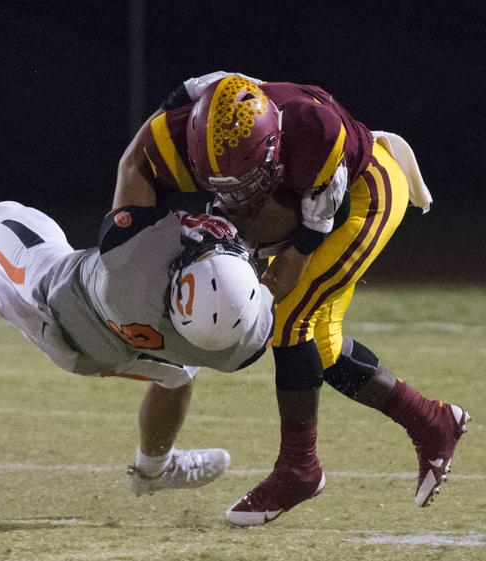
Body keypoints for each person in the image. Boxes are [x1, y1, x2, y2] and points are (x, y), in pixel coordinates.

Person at [115, 72, 470, 525]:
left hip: (364, 192)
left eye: (244, 180)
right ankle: (432, 421)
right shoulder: (176, 131)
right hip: (291, 192)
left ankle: (300, 469)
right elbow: (141, 161)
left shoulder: (317, 138)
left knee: (286, 321)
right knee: (317, 346)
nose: (233, 196)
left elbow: (291, 264)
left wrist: (235, 316)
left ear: (272, 148)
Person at [0, 167, 275, 498]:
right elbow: (276, 290)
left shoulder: (126, 277)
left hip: (54, 310)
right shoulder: (237, 347)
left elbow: (134, 169)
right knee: (180, 370)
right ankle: (153, 469)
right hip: (107, 353)